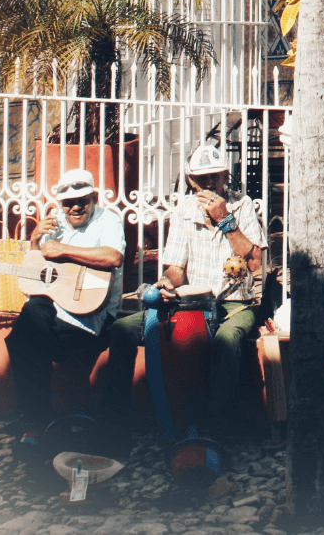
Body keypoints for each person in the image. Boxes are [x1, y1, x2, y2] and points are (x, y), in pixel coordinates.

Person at [103, 144, 266, 438]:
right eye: (201, 178)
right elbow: (176, 269)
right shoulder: (183, 211)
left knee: (227, 340)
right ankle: (113, 424)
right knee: (122, 330)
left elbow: (254, 263)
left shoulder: (242, 207)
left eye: (214, 176)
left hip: (234, 303)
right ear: (191, 181)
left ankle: (213, 429)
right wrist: (166, 283)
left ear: (225, 175)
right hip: (191, 303)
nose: (208, 184)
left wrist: (225, 221)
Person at [4, 168, 125, 451]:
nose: (75, 207)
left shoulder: (108, 220)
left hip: (92, 316)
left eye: (82, 199)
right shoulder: (54, 223)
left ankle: (35, 423)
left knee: (23, 341)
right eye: (68, 202)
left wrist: (64, 251)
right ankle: (39, 422)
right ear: (60, 204)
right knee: (31, 315)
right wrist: (35, 242)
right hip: (55, 310)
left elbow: (113, 256)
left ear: (93, 197)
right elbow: (37, 278)